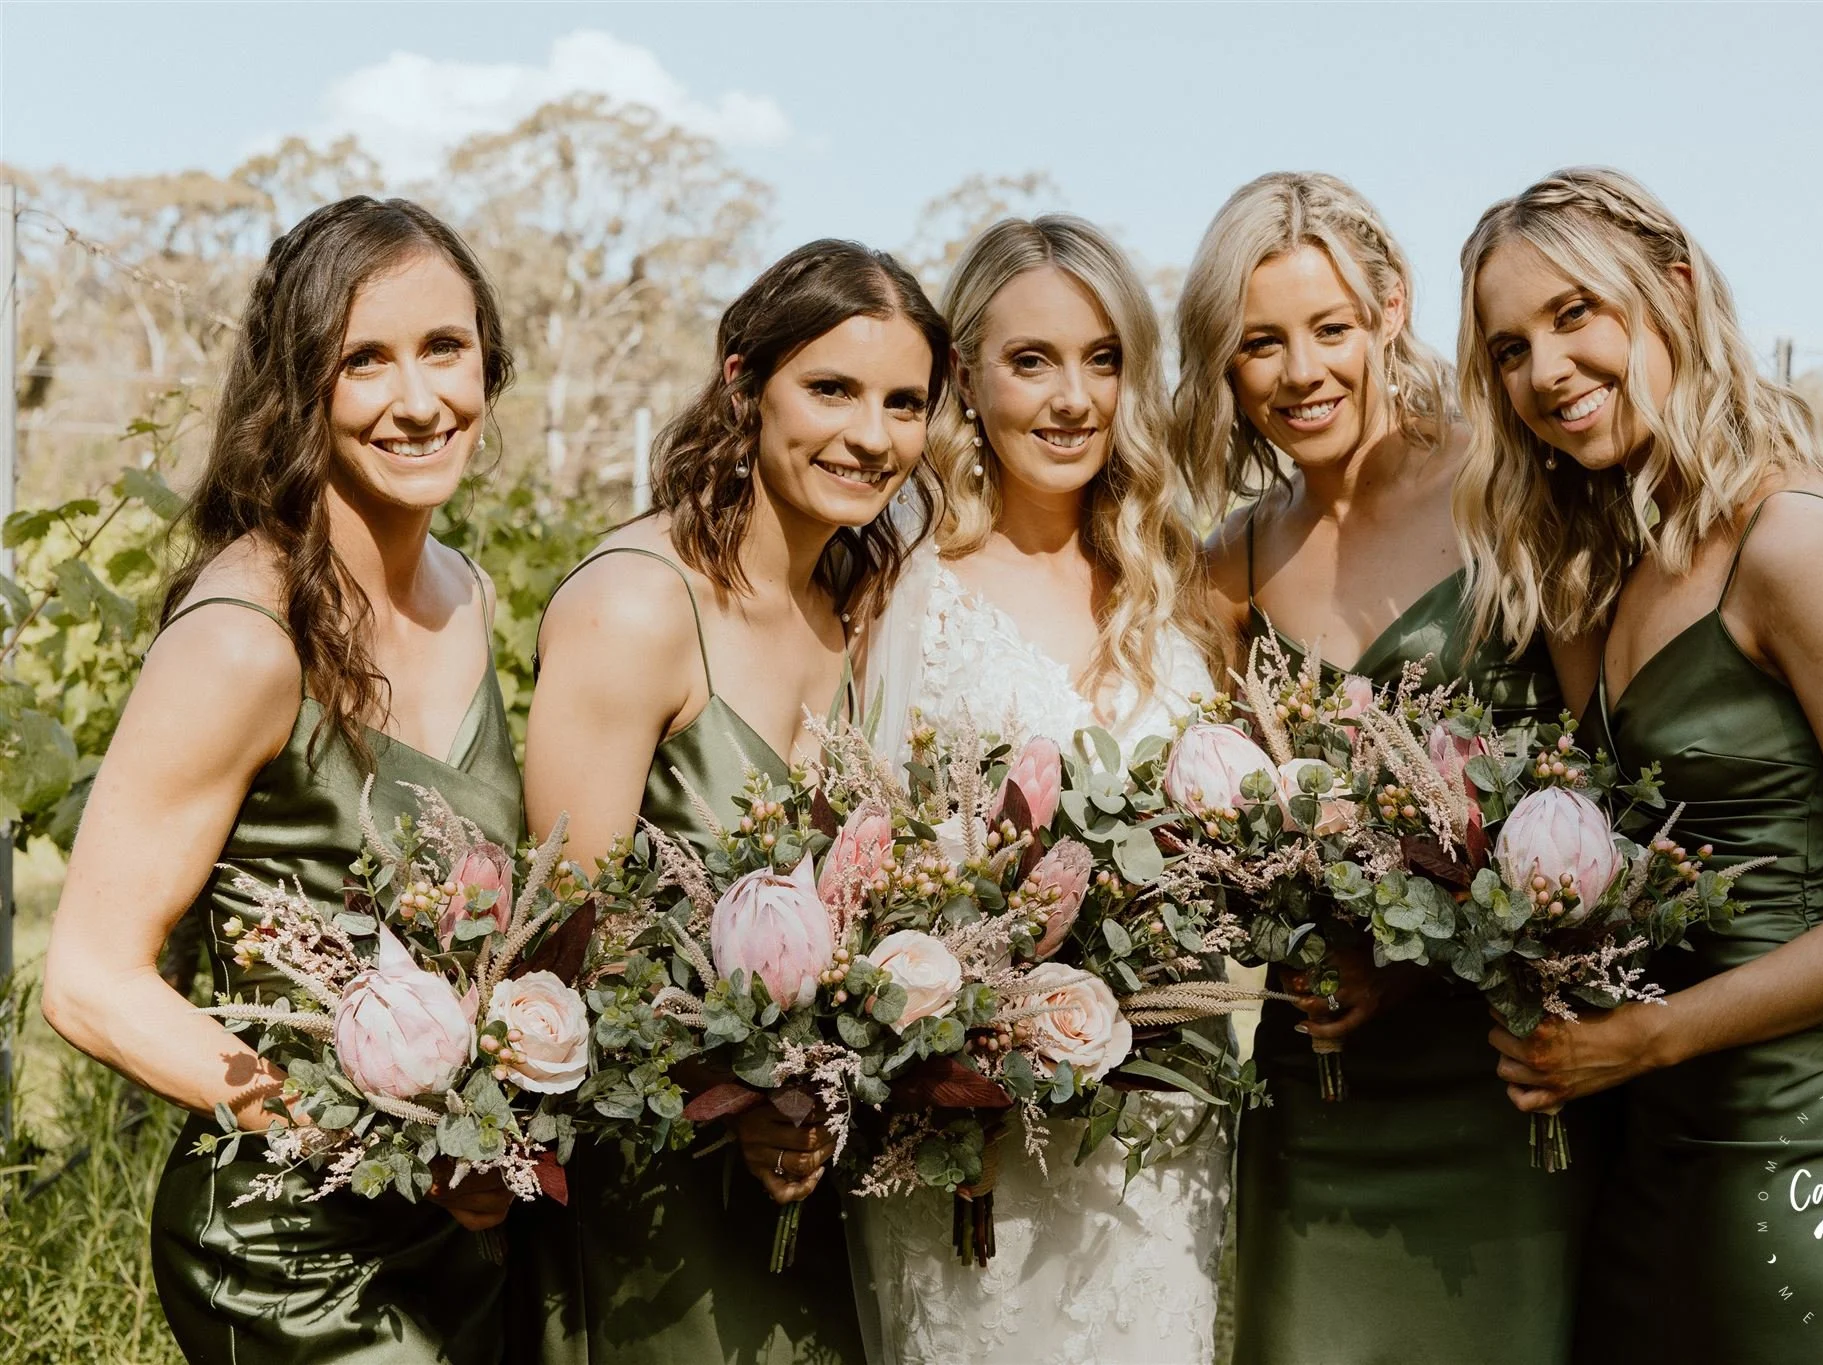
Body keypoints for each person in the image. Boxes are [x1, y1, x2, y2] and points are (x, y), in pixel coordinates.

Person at [1455, 165, 1823, 1363]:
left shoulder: (1789, 540)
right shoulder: (1604, 563)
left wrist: (1651, 1038)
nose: (1541, 371)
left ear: (1673, 288)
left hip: (1804, 1144)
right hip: (1651, 1136)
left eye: (1573, 315)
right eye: (1505, 350)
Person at [42, 197, 523, 1363]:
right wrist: (362, 1135)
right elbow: (88, 980)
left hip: (459, 1240)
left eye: (443, 349)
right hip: (288, 1249)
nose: (419, 402)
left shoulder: (466, 593)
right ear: (297, 388)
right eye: (365, 361)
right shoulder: (242, 641)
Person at [1176, 171, 1598, 1365]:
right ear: (1225, 361)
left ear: (1389, 312)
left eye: (1328, 329)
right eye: (1259, 343)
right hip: (1325, 1089)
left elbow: (1598, 772)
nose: (1299, 371)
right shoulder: (1230, 568)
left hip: (1509, 1072)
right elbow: (1227, 826)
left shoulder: (1507, 495)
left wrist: (1420, 964)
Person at [517, 238, 946, 1365]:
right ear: (741, 381)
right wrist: (738, 1096)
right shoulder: (637, 606)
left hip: (819, 1178)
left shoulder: (850, 610)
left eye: (904, 402)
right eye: (832, 389)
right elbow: (567, 941)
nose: (870, 435)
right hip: (658, 1189)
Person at [856, 214, 1230, 1365]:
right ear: (964, 375)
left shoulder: (1174, 588)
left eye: (1102, 359)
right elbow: (865, 862)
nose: (1073, 398)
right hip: (977, 1133)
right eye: (1032, 362)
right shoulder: (907, 595)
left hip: (1164, 1129)